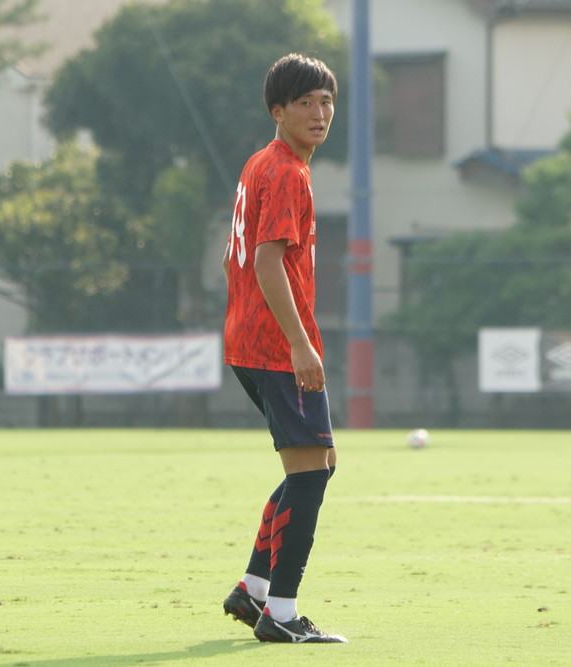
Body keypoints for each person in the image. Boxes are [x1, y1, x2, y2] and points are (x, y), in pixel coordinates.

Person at [220, 53, 345, 644]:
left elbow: (241, 257)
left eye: (326, 102)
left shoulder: (262, 163)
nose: (319, 113)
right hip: (274, 344)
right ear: (278, 111)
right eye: (305, 103)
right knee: (311, 472)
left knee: (315, 465)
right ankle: (283, 613)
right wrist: (299, 344)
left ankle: (254, 591)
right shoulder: (288, 172)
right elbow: (267, 260)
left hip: (249, 338)